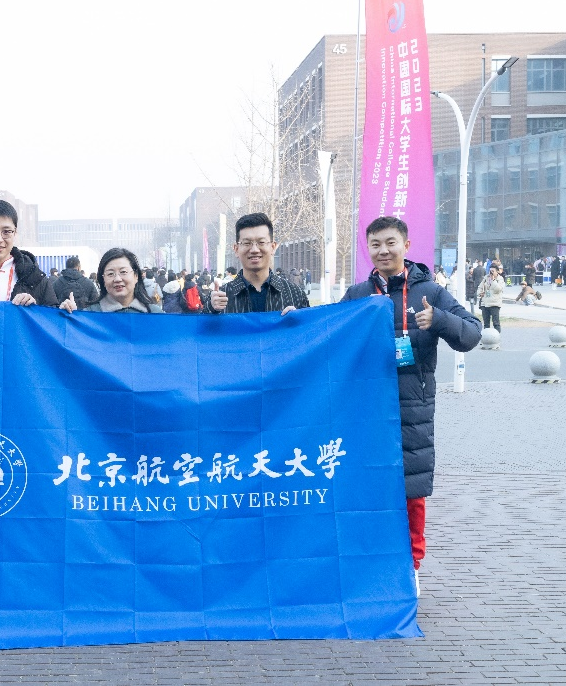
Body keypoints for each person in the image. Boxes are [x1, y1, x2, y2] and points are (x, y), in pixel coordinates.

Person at [341, 216, 481, 594]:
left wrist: (439, 320)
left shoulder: (430, 292)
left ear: (405, 244)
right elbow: (327, 333)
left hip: (412, 407)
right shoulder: (357, 294)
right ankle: (373, 564)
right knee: (368, 485)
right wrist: (297, 322)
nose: (383, 251)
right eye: (375, 245)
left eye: (390, 243)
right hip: (367, 407)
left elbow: (471, 333)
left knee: (411, 490)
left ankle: (411, 565)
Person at [206, 212, 309, 315]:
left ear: (273, 247)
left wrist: (298, 320)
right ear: (236, 249)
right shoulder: (220, 297)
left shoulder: (296, 295)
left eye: (261, 242)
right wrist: (211, 310)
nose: (254, 250)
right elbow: (200, 323)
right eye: (247, 243)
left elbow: (311, 324)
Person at [65, 247, 163, 313]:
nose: (117, 279)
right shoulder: (91, 314)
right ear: (103, 279)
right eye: (110, 274)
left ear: (136, 276)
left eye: (123, 272)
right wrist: (72, 318)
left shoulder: (155, 314)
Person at [477, 264, 505, 334]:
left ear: (497, 271)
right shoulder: (486, 278)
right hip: (485, 303)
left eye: (493, 271)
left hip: (494, 303)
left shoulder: (500, 279)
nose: (491, 273)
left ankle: (497, 336)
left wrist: (493, 280)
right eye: (490, 271)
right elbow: (480, 287)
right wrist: (480, 293)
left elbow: (498, 289)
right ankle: (486, 337)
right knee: (486, 323)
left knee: (496, 322)